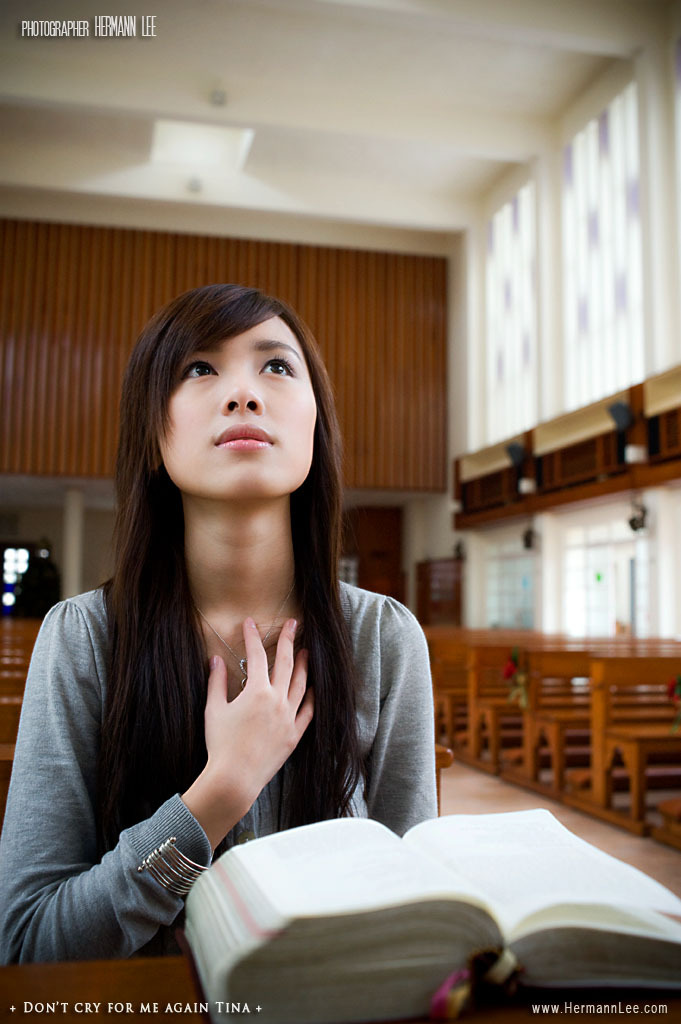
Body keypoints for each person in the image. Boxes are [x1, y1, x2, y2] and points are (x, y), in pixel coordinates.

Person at [0, 283, 437, 964]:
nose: (243, 394)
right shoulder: (83, 638)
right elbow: (28, 947)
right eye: (199, 368)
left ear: (315, 426)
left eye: (276, 366)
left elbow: (419, 921)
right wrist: (219, 794)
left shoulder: (383, 639)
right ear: (152, 430)